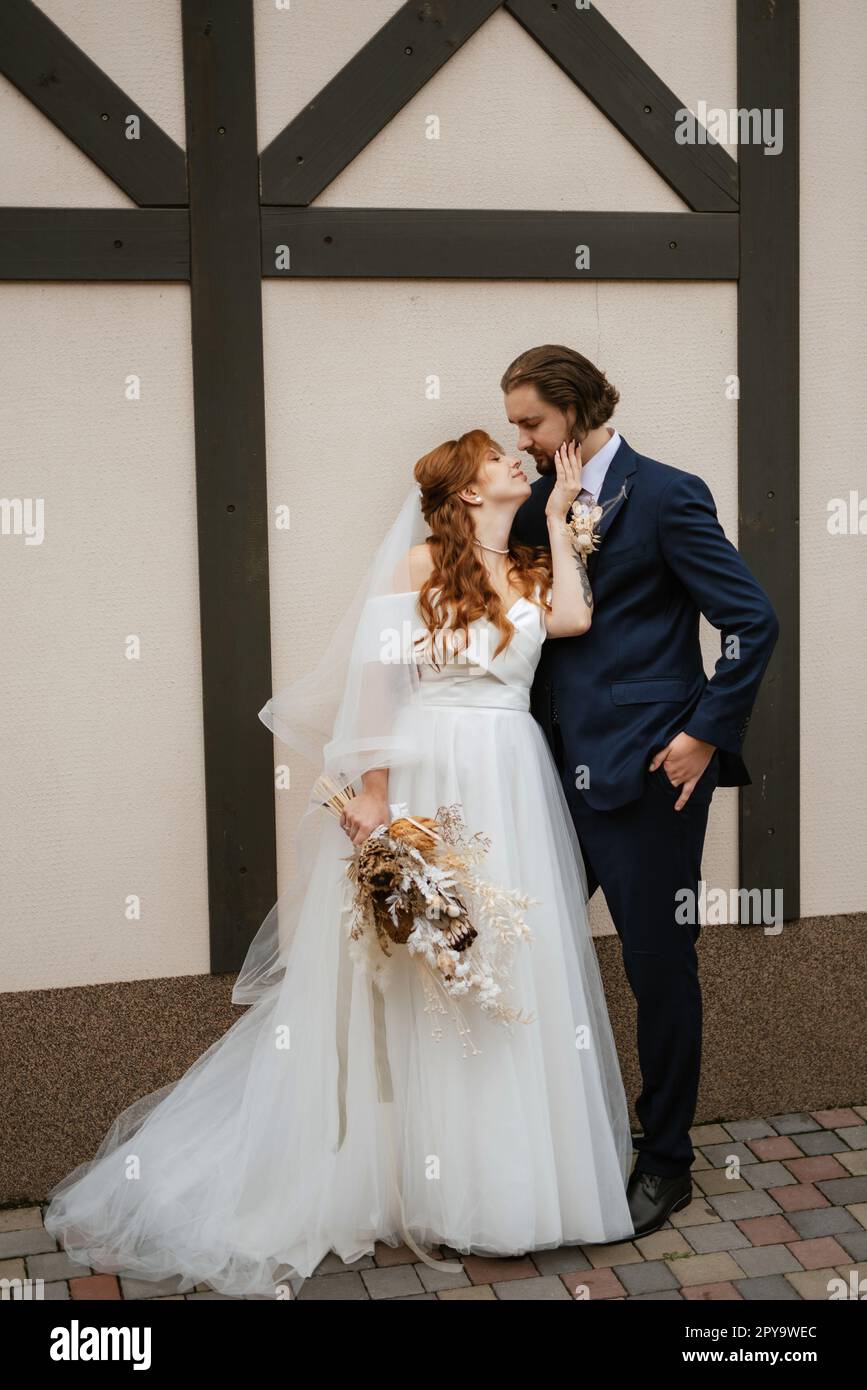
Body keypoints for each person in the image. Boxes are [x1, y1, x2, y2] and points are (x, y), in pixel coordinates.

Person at [42, 428, 638, 1299]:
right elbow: (375, 692)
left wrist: (554, 514)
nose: (520, 463)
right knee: (424, 979)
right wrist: (375, 801)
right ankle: (429, 1180)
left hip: (513, 779)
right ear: (467, 491)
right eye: (501, 462)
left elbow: (574, 620)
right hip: (434, 780)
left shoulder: (531, 567)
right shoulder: (416, 570)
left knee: (507, 967)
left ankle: (516, 1185)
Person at [504, 344, 780, 1235]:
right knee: (519, 954)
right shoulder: (534, 503)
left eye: (532, 423)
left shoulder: (667, 494)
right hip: (542, 770)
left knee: (657, 966)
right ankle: (534, 1144)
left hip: (647, 774)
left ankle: (665, 1161)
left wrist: (702, 734)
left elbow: (750, 620)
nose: (521, 439)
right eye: (514, 424)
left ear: (578, 414)